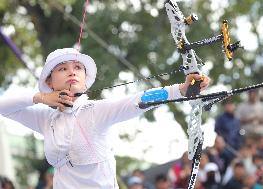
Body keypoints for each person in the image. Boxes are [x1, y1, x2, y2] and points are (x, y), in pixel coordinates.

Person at [0, 48, 210, 189]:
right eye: (63, 69)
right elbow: (3, 106)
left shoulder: (96, 111)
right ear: (50, 81)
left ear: (85, 80)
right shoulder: (46, 119)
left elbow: (139, 100)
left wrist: (180, 90)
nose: (72, 72)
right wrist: (41, 98)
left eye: (78, 68)